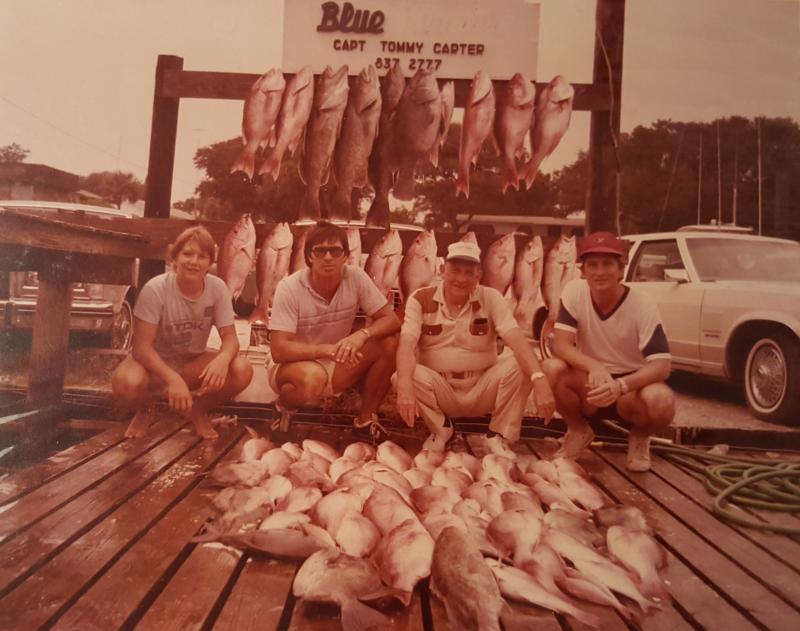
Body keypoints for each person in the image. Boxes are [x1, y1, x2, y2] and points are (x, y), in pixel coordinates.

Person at [395, 240, 556, 451]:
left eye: (469, 272)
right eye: (455, 270)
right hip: (441, 388)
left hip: (482, 387)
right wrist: (405, 386)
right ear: (443, 270)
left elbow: (516, 339)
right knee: (401, 376)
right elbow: (406, 344)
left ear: (478, 275)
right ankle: (441, 430)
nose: (461, 278)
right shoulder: (420, 298)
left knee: (521, 364)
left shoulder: (491, 297)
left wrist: (539, 378)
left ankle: (498, 436)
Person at [542, 231, 675, 471]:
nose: (600, 272)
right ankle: (578, 431)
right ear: (583, 271)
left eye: (607, 264)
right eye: (592, 265)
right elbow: (559, 345)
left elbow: (662, 366)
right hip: (590, 385)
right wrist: (594, 366)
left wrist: (621, 385)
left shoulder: (643, 304)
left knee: (661, 400)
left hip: (629, 390)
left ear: (621, 270)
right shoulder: (574, 291)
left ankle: (639, 439)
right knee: (550, 368)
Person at [112, 226, 254, 439]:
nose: (194, 261)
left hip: (192, 364)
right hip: (153, 367)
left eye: (202, 256)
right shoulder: (155, 289)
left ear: (210, 263)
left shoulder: (218, 289)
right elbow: (141, 348)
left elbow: (231, 339)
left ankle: (198, 410)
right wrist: (172, 379)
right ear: (174, 258)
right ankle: (145, 410)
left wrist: (223, 359)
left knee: (241, 368)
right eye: (187, 254)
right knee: (126, 382)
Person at [268, 221, 401, 441]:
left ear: (346, 255)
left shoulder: (355, 276)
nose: (328, 257)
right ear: (309, 256)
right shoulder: (289, 287)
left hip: (334, 360)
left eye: (335, 250)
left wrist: (361, 335)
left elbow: (391, 320)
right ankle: (281, 408)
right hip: (290, 366)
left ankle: (365, 422)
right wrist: (326, 350)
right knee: (313, 378)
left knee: (389, 344)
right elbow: (279, 350)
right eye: (320, 251)